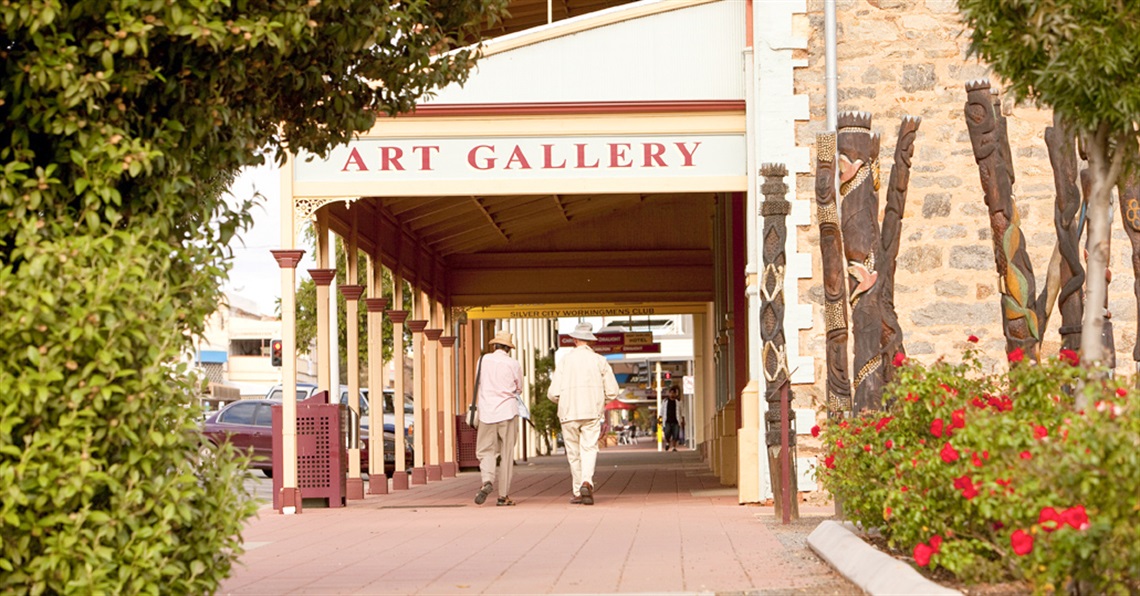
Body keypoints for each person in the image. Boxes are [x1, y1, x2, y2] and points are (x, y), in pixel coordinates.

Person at [547, 322, 619, 505]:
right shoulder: (599, 361)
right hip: (591, 412)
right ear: (590, 342)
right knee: (589, 448)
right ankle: (587, 481)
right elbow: (613, 391)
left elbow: (553, 393)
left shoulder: (565, 361)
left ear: (575, 339)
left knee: (573, 453)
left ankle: (579, 490)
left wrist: (564, 401)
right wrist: (598, 400)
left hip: (568, 413)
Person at [473, 330, 524, 507]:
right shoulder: (513, 364)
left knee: (485, 450)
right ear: (508, 348)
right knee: (507, 454)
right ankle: (503, 496)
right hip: (507, 412)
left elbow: (477, 383)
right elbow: (519, 388)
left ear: (494, 345)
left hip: (487, 412)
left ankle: (487, 480)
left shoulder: (482, 360)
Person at [663, 386, 681, 451]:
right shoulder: (665, 402)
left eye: (673, 393)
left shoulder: (678, 402)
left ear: (675, 394)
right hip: (667, 421)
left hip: (676, 421)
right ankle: (667, 442)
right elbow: (661, 411)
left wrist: (682, 420)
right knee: (667, 433)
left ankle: (674, 447)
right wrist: (659, 419)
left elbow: (681, 411)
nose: (672, 394)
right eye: (671, 393)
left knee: (675, 435)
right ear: (669, 393)